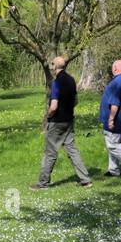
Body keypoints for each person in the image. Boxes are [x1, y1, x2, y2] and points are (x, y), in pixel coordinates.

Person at [31, 56, 93, 190]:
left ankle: (43, 183)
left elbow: (53, 106)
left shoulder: (56, 83)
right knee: (72, 150)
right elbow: (76, 101)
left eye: (52, 65)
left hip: (57, 122)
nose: (51, 67)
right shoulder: (71, 80)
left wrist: (48, 116)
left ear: (54, 67)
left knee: (50, 152)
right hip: (69, 121)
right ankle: (85, 180)